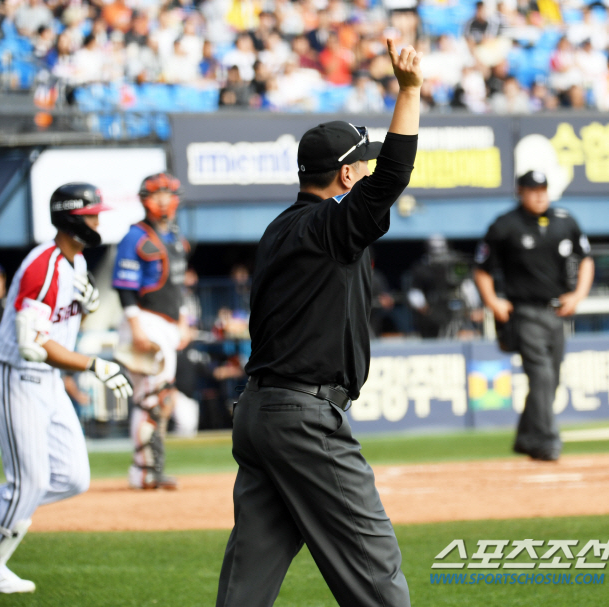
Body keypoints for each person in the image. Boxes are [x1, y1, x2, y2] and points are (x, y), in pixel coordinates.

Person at [215, 39, 422, 607]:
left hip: (259, 413)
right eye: (365, 163)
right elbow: (396, 173)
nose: (372, 170)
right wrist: (408, 91)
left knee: (248, 580)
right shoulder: (329, 227)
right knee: (374, 570)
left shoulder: (280, 228)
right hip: (304, 418)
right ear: (347, 174)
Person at [0, 183, 132, 594]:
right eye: (91, 214)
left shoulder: (77, 261)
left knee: (72, 478)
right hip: (17, 375)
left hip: (48, 380)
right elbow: (34, 346)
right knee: (29, 482)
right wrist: (93, 364)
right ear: (72, 218)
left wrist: (86, 306)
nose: (98, 220)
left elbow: (67, 321)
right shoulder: (44, 266)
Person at [474, 170, 594, 462]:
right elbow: (481, 267)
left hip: (557, 311)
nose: (539, 194)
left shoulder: (565, 220)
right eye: (532, 189)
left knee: (550, 380)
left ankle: (528, 437)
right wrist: (492, 301)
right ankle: (547, 441)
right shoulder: (505, 225)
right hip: (524, 311)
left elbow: (586, 259)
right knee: (541, 376)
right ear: (520, 192)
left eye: (543, 188)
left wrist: (578, 295)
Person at [112, 172, 188, 490]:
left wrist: (183, 321)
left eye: (168, 193)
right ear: (145, 199)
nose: (163, 200)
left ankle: (153, 466)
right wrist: (136, 328)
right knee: (151, 398)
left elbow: (178, 286)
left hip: (167, 323)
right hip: (144, 320)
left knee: (163, 398)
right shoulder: (135, 237)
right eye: (156, 194)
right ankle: (143, 471)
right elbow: (125, 288)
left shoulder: (173, 237)